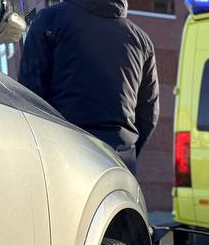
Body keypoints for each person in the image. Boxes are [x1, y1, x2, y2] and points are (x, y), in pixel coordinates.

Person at [18, 0, 159, 175]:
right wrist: (127, 152)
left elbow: (29, 97)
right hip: (120, 164)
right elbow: (148, 114)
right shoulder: (141, 42)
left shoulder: (50, 20)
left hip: (64, 159)